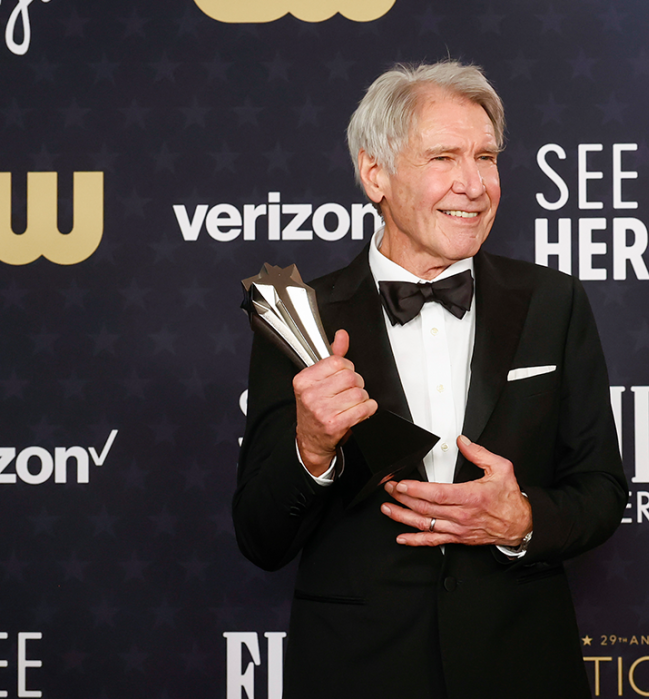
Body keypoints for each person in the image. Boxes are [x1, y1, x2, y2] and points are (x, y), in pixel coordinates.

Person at [233, 60, 628, 699]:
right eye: (443, 157)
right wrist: (310, 450)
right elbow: (259, 536)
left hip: (521, 667)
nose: (474, 185)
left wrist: (521, 518)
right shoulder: (301, 319)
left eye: (487, 158)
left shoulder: (554, 303)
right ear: (375, 174)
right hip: (358, 671)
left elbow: (604, 491)